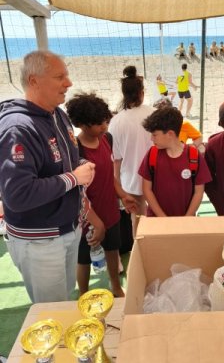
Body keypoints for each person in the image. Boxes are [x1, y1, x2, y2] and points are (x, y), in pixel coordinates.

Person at [0, 50, 95, 303]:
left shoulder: (57, 114)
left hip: (66, 230)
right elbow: (18, 194)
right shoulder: (18, 128)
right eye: (60, 76)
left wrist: (81, 170)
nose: (69, 83)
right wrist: (75, 179)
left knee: (64, 300)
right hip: (40, 241)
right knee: (51, 311)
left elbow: (63, 162)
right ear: (34, 81)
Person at [66, 93, 138, 297]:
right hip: (86, 216)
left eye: (106, 121)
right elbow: (77, 191)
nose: (104, 127)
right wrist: (95, 221)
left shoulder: (106, 139)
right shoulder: (76, 150)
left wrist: (123, 195)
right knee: (84, 258)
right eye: (98, 124)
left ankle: (115, 286)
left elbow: (109, 175)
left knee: (112, 251)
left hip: (110, 210)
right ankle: (84, 293)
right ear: (81, 124)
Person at [138, 107, 211, 217]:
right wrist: (162, 217)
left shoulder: (194, 156)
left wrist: (187, 218)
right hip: (156, 221)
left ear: (170, 134)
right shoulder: (152, 155)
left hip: (185, 223)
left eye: (154, 135)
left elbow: (199, 192)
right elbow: (146, 189)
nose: (151, 139)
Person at [109, 66, 154, 236]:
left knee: (137, 219)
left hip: (131, 180)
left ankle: (139, 253)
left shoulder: (116, 121)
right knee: (158, 215)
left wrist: (117, 184)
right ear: (142, 93)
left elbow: (116, 158)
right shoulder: (153, 114)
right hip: (156, 176)